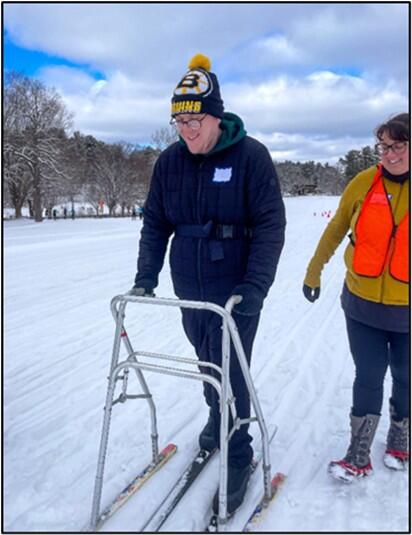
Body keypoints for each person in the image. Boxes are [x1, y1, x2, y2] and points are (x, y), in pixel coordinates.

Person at [129, 54, 286, 514]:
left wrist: (256, 284)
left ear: (216, 115)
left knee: (231, 370)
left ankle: (238, 452)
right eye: (179, 118)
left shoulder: (250, 156)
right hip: (189, 282)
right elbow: (155, 223)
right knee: (205, 362)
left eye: (195, 118)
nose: (186, 128)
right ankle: (218, 418)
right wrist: (146, 276)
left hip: (237, 288)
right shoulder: (169, 163)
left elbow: (271, 224)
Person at [303, 113, 409, 482]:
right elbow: (336, 229)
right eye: (383, 146)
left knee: (406, 374)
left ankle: (400, 437)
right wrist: (313, 271)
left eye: (398, 145)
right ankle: (358, 452)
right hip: (362, 303)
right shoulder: (363, 183)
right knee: (368, 375)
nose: (389, 154)